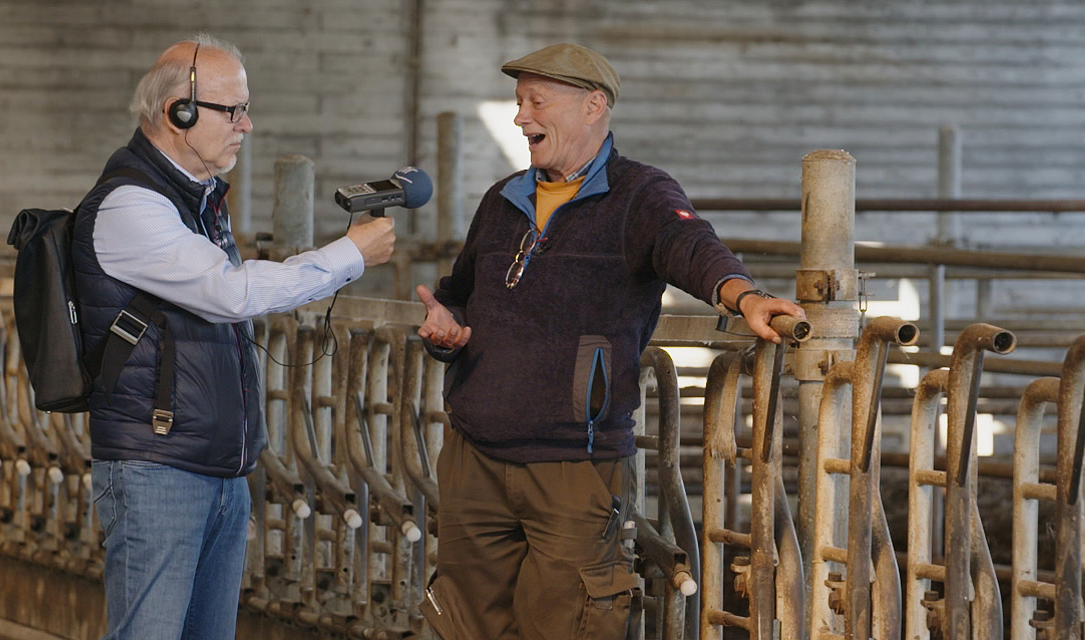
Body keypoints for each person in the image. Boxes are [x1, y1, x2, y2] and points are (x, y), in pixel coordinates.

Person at [413, 43, 806, 640]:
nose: (521, 117)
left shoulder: (639, 195)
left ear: (593, 105)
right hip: (475, 456)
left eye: (536, 101)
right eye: (520, 102)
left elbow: (692, 248)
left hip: (575, 463)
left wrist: (743, 296)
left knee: (568, 623)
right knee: (463, 623)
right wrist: (445, 326)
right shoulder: (502, 200)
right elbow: (461, 294)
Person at [72, 35, 396, 640]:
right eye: (233, 110)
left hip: (217, 468)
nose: (246, 125)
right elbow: (231, 293)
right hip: (157, 468)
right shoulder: (130, 204)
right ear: (179, 113)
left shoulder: (198, 200)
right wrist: (348, 255)